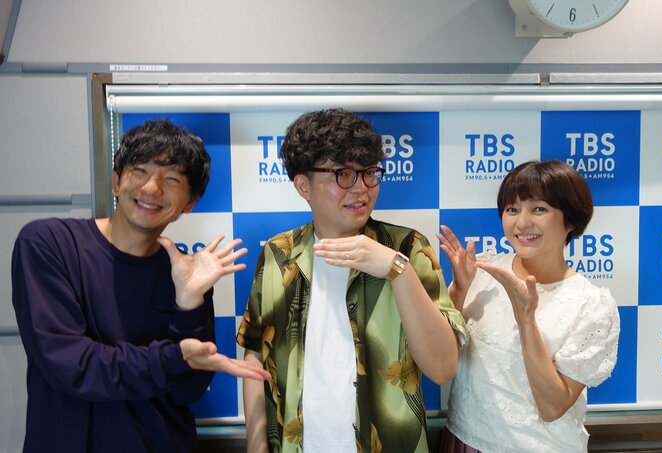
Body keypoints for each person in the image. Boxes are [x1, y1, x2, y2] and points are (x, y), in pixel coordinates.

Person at [11, 119, 270, 453]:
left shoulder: (186, 272)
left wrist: (189, 301)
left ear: (189, 202)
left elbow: (187, 390)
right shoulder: (50, 244)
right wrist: (173, 357)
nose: (152, 188)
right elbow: (72, 365)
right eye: (139, 171)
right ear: (116, 182)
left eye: (172, 178)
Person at [237, 108, 468, 452]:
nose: (362, 189)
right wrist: (256, 446)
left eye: (370, 173)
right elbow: (255, 353)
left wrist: (397, 270)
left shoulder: (407, 247)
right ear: (303, 185)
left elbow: (443, 368)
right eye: (343, 174)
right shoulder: (278, 254)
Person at [438, 160, 620, 453]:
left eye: (539, 209)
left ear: (571, 220)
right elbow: (441, 358)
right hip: (464, 438)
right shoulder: (482, 270)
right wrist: (459, 290)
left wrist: (526, 320)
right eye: (512, 209)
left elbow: (552, 406)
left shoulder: (592, 305)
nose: (522, 223)